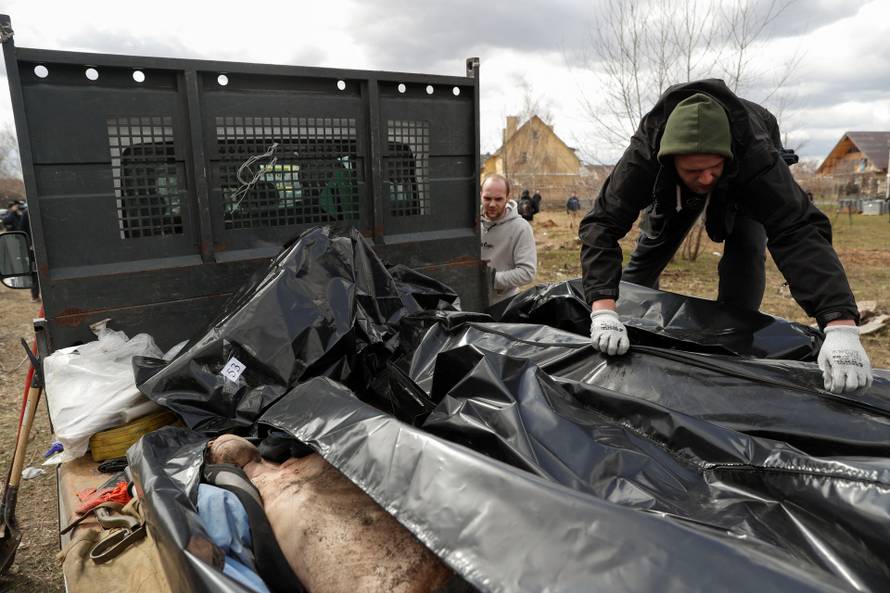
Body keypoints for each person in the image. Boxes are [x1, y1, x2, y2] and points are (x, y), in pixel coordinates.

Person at [579, 79, 872, 394]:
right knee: (652, 248)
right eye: (695, 170)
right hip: (675, 189)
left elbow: (797, 228)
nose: (705, 178)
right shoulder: (646, 152)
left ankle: (731, 346)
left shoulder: (756, 153)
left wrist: (840, 325)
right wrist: (603, 309)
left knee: (746, 250)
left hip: (742, 174)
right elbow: (602, 223)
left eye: (712, 169)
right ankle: (624, 327)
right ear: (669, 158)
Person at [481, 174, 537, 305]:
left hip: (502, 304)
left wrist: (491, 280)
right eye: (487, 198)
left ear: (508, 197)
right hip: (468, 300)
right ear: (480, 195)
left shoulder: (521, 228)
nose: (492, 204)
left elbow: (527, 272)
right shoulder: (470, 224)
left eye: (498, 199)